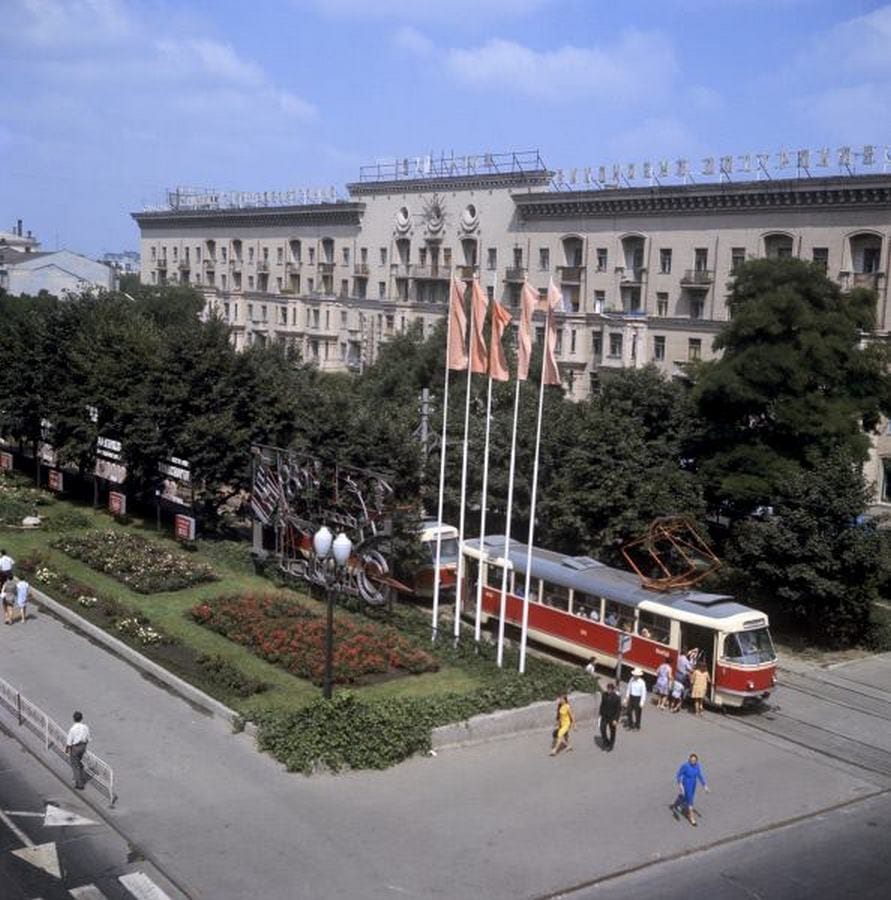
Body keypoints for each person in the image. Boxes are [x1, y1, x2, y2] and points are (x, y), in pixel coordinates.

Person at [671, 753, 709, 826]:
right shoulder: (685, 766)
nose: (692, 762)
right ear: (689, 760)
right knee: (690, 802)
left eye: (694, 760)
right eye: (691, 760)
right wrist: (680, 785)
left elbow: (700, 775)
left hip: (693, 785)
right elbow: (678, 775)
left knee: (686, 798)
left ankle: (677, 804)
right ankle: (692, 819)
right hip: (686, 784)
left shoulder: (697, 766)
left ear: (696, 761)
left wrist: (705, 786)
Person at [65, 711, 91, 790]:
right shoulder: (85, 727)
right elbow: (88, 738)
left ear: (73, 719)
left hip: (75, 748)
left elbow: (69, 742)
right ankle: (80, 773)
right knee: (78, 760)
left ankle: (80, 784)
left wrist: (67, 749)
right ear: (81, 718)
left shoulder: (72, 729)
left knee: (74, 765)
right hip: (83, 746)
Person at [598, 683, 621, 751]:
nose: (608, 690)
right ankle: (606, 741)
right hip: (604, 716)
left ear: (613, 690)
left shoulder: (617, 698)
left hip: (612, 717)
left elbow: (618, 710)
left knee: (612, 732)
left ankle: (611, 744)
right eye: (607, 689)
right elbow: (602, 704)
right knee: (602, 729)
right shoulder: (604, 695)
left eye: (610, 689)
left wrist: (616, 720)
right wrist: (600, 712)